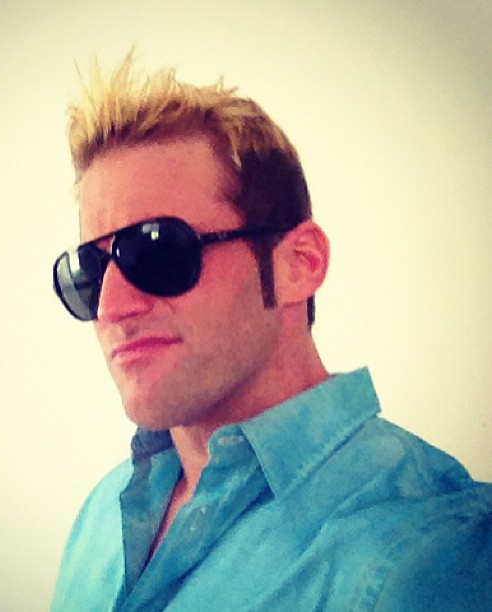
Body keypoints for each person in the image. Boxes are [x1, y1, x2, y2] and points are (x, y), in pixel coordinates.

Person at [50, 52, 491, 611]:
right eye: (89, 271)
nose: (111, 307)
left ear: (298, 264)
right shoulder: (102, 518)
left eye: (156, 249)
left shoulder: (432, 557)